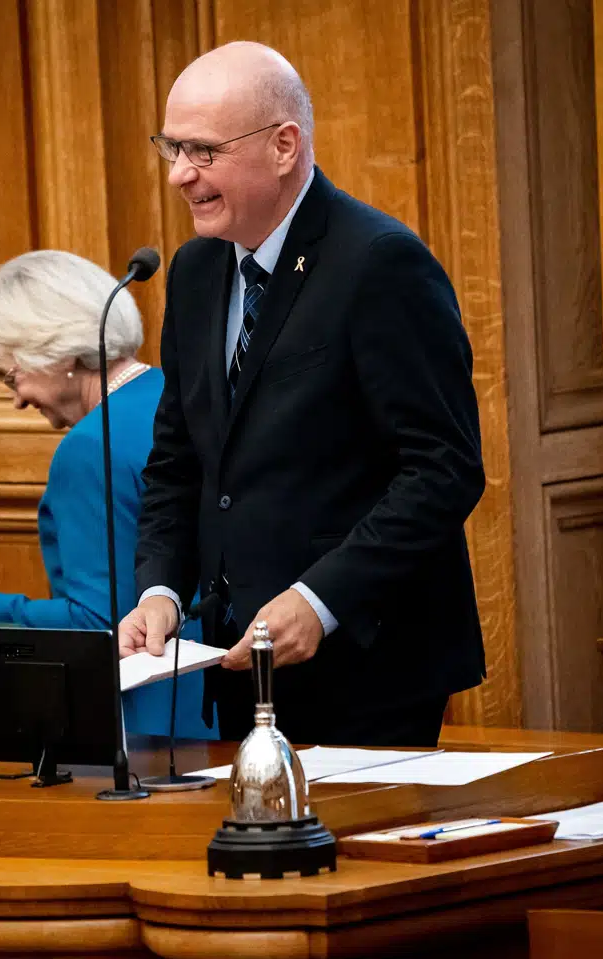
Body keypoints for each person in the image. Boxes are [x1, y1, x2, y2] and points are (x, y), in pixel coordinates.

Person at [118, 42, 487, 748]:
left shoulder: (378, 262)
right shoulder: (196, 272)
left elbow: (443, 468)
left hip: (369, 666)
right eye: (170, 147)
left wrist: (321, 601)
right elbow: (178, 462)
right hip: (241, 664)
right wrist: (160, 589)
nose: (178, 174)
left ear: (285, 145)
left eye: (201, 150)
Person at [0, 250, 214, 740]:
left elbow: (97, 621)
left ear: (61, 353)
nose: (18, 399)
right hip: (228, 697)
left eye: (13, 376)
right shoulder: (180, 396)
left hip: (153, 723)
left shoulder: (91, 446)